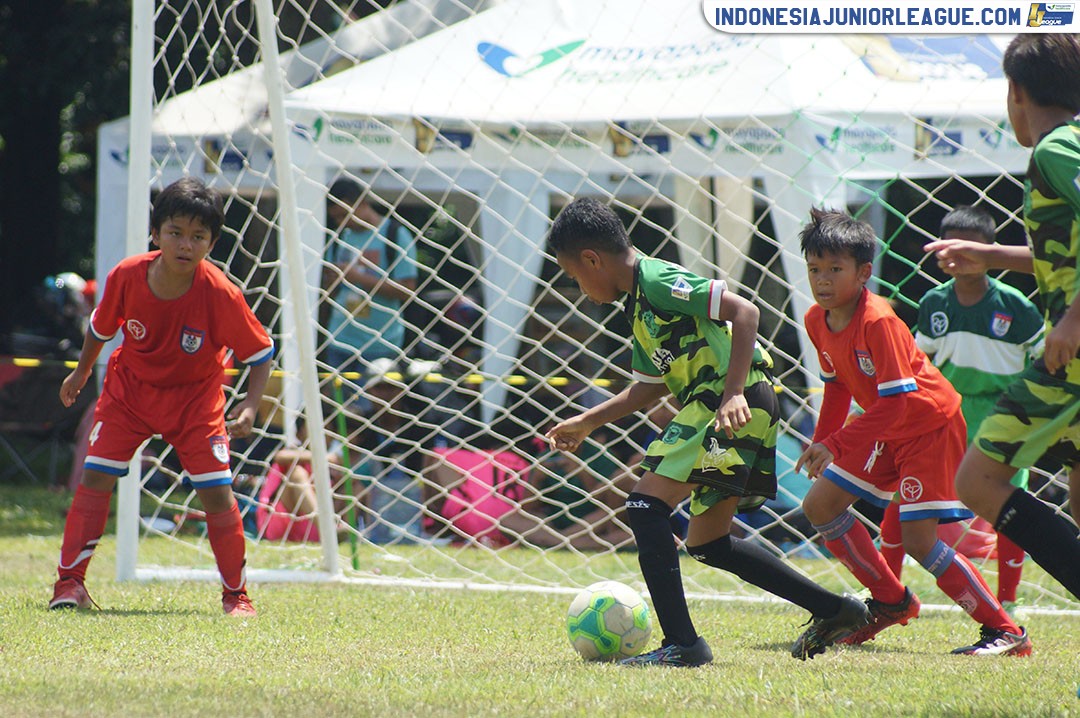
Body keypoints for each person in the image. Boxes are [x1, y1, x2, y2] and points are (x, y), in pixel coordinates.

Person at [543, 197, 870, 667]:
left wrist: (733, 391)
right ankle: (836, 610)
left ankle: (683, 645)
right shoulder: (639, 306)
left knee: (644, 505)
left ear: (592, 259)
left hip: (727, 402)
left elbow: (746, 313)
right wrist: (587, 422)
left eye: (575, 276)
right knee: (708, 544)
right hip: (729, 404)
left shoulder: (656, 281)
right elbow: (646, 390)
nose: (580, 288)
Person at [796, 207, 1031, 656]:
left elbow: (900, 401)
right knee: (820, 504)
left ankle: (1006, 630)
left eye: (834, 269)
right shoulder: (815, 319)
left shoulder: (878, 321)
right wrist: (821, 442)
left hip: (928, 426)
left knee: (922, 542)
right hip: (888, 426)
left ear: (864, 273)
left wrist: (837, 442)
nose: (822, 280)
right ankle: (891, 601)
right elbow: (837, 388)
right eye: (814, 269)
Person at [51, 177, 274, 616]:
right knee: (95, 477)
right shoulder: (127, 275)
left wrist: (250, 405)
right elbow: (101, 329)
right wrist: (79, 373)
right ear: (156, 233)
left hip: (195, 402)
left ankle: (237, 597)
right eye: (175, 232)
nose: (185, 244)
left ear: (212, 243)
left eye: (198, 236)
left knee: (215, 493)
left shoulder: (221, 293)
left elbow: (261, 352)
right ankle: (69, 584)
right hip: (129, 393)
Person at [924, 34, 1080, 602]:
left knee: (976, 481)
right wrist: (993, 256)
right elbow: (1065, 254)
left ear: (1014, 91)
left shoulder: (1054, 150)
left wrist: (1071, 324)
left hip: (1071, 358)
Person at [877, 205, 1043, 615]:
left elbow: (1041, 360)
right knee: (902, 505)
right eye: (948, 249)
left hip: (1003, 414)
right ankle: (887, 594)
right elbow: (918, 363)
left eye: (969, 248)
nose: (958, 257)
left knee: (1008, 508)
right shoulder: (935, 302)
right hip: (944, 416)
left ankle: (1008, 599)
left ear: (990, 250)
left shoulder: (1016, 306)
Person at [321, 178, 417, 371]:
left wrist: (357, 277)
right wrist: (329, 282)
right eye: (336, 218)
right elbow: (328, 290)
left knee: (378, 402)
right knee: (341, 401)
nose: (342, 222)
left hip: (383, 345)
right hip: (339, 342)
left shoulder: (395, 234)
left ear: (363, 202)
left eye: (345, 215)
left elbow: (408, 290)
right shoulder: (339, 237)